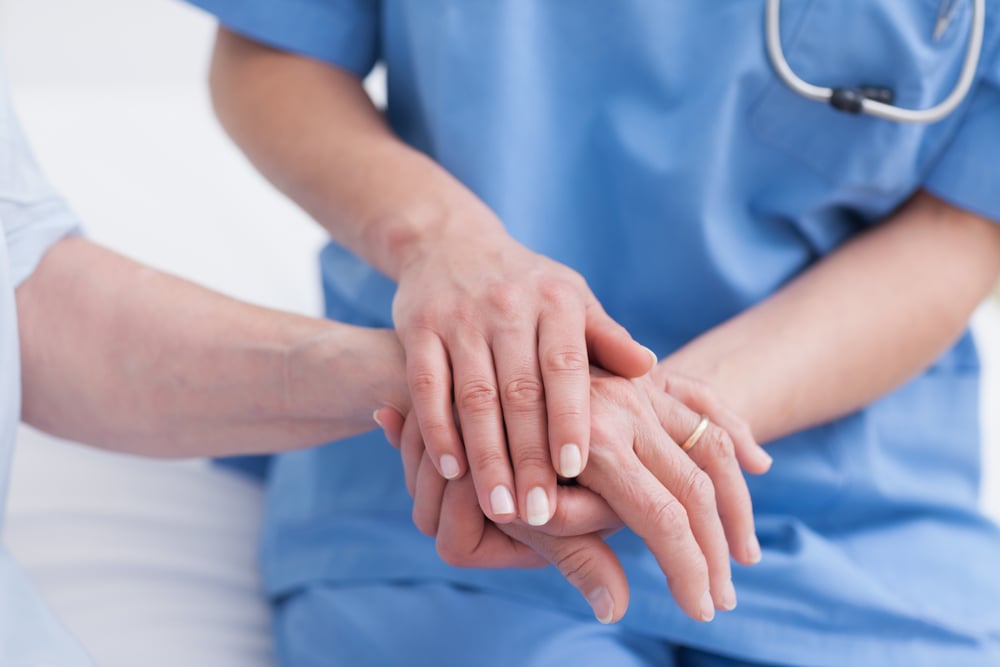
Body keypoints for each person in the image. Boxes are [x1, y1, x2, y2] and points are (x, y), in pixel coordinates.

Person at [189, 1, 1000, 665]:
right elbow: (272, 54)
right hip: (455, 486)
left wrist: (655, 418)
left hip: (854, 514)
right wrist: (446, 243)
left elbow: (960, 228)